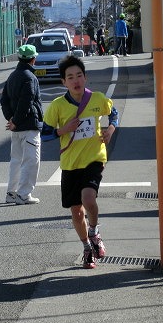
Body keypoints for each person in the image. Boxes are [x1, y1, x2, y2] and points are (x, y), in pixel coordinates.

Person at [43, 55, 119, 269]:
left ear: (85, 78)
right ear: (63, 82)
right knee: (76, 211)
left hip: (94, 158)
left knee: (88, 199)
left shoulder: (97, 99)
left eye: (79, 75)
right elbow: (45, 134)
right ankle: (87, 247)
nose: (75, 80)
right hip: (70, 164)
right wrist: (63, 130)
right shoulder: (57, 106)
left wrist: (111, 129)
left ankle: (94, 231)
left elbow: (114, 113)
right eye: (70, 77)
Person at [0, 44, 43, 205]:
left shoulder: (12, 76)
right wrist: (16, 121)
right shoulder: (30, 77)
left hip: (16, 128)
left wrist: (11, 119)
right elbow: (27, 102)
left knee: (16, 161)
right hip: (29, 125)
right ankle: (24, 194)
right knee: (31, 160)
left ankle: (11, 193)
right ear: (33, 59)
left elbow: (3, 99)